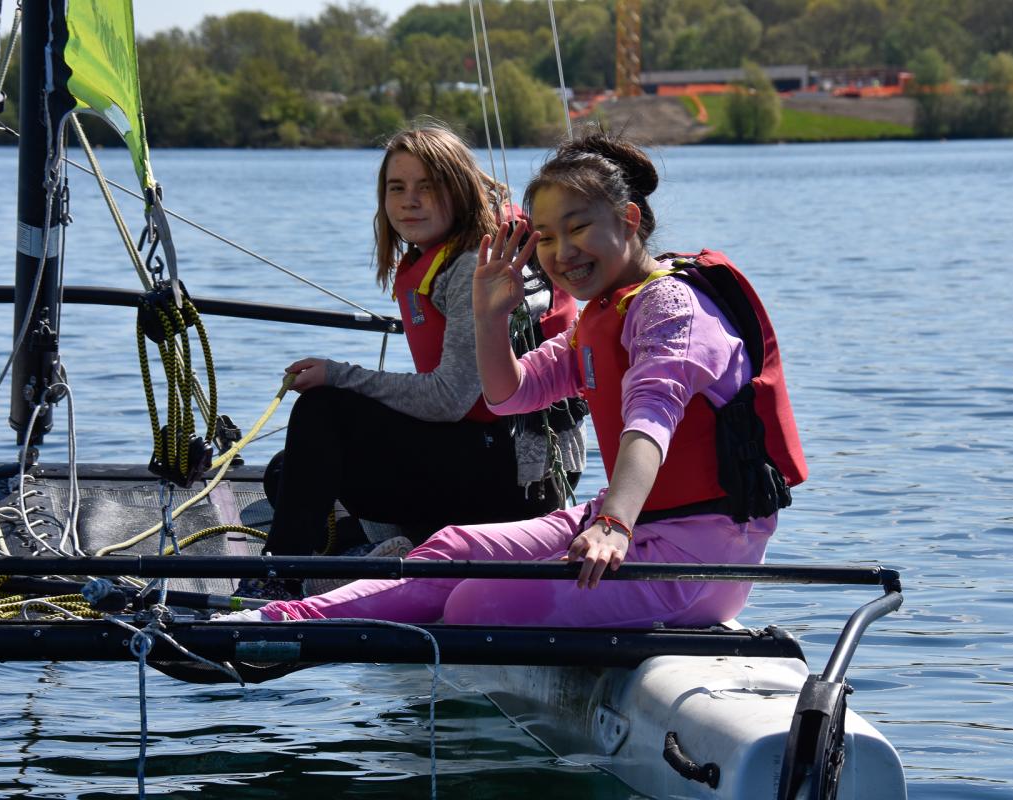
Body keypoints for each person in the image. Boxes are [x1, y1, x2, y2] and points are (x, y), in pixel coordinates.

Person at [228, 131, 806, 626]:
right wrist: (490, 318)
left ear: (629, 220)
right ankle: (278, 620)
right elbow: (511, 395)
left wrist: (612, 523)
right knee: (453, 549)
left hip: (693, 559)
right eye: (546, 237)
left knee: (476, 599)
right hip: (626, 526)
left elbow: (649, 421)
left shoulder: (669, 307)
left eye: (578, 229)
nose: (561, 253)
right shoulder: (606, 311)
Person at [237, 121, 587, 599]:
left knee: (322, 412)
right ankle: (384, 547)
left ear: (459, 190)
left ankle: (279, 578)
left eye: (428, 187)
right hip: (481, 457)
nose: (410, 201)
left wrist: (338, 376)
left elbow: (449, 398)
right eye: (396, 188)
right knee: (288, 473)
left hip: (516, 482)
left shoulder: (473, 265)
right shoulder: (449, 252)